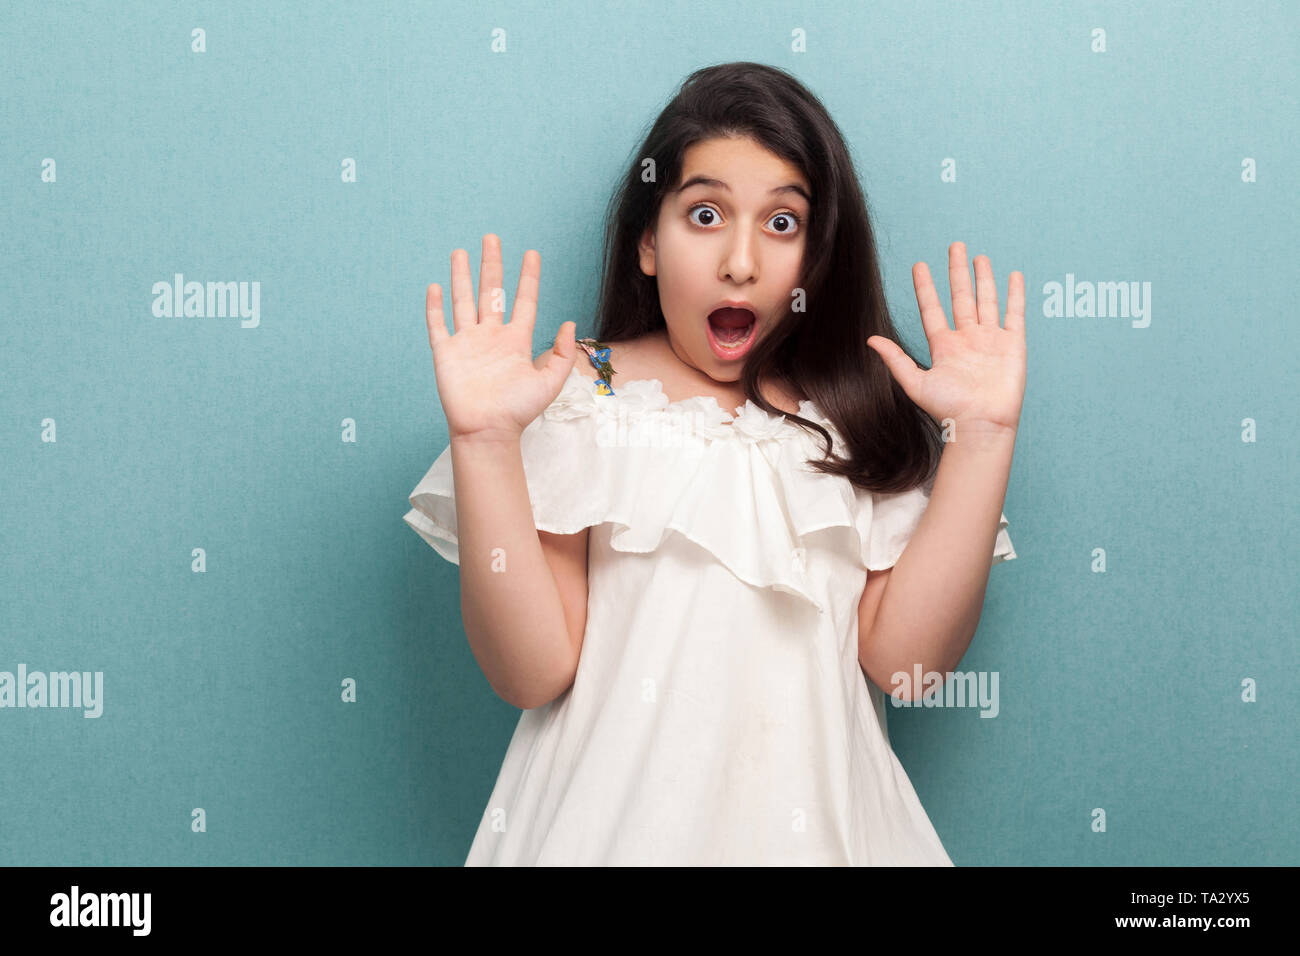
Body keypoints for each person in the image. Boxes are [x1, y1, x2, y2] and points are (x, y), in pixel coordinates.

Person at [405, 62, 1023, 865]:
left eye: (782, 224)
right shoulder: (575, 396)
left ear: (818, 257)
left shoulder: (852, 421)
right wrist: (486, 443)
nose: (740, 262)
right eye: (705, 215)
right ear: (647, 243)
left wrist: (982, 438)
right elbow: (531, 672)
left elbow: (906, 669)